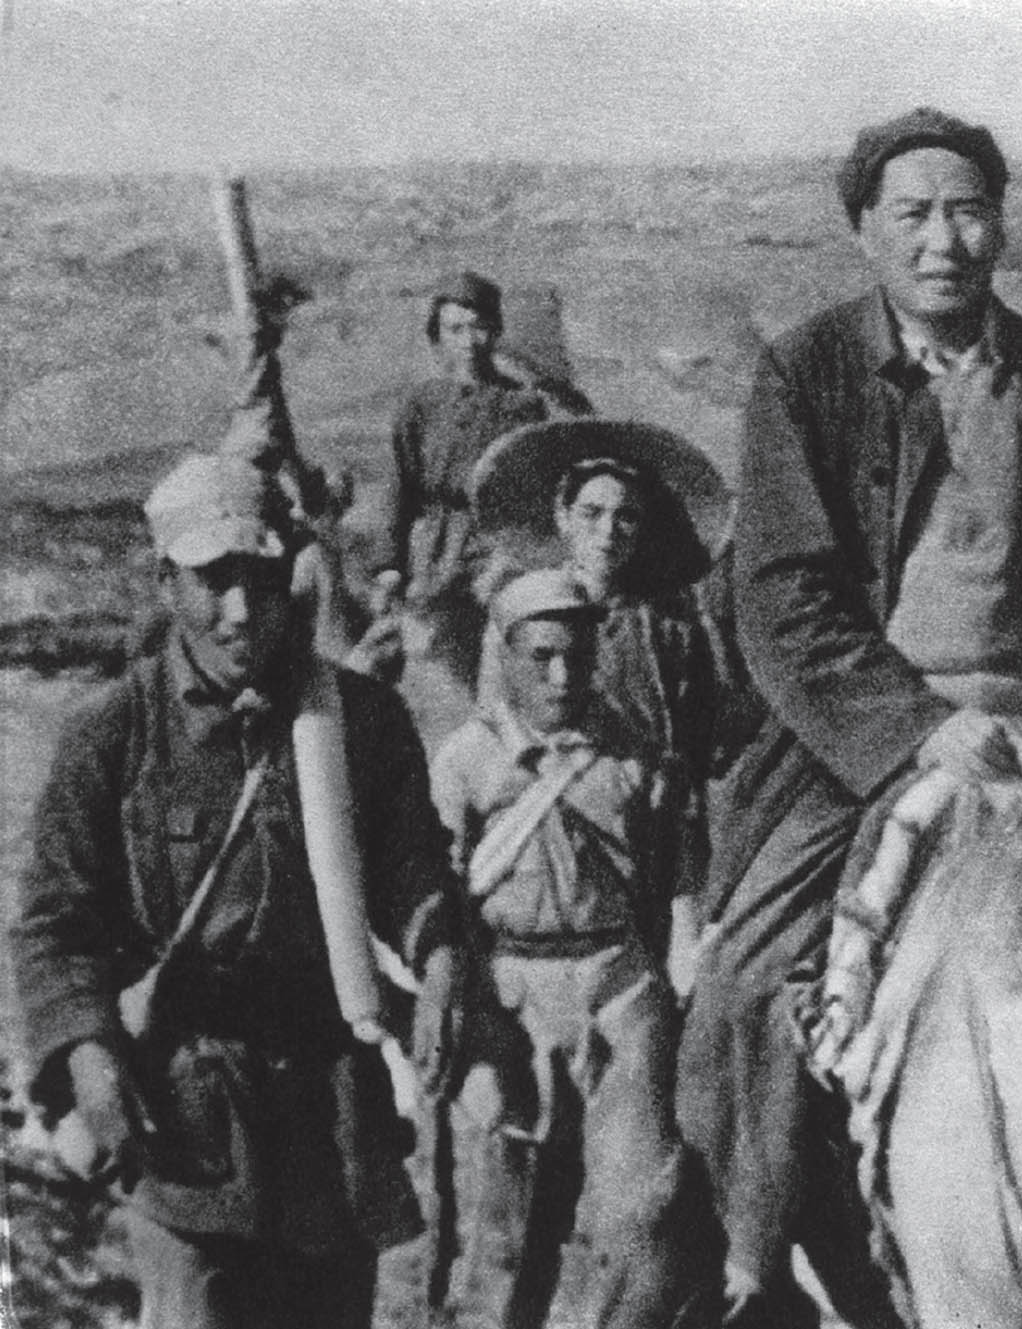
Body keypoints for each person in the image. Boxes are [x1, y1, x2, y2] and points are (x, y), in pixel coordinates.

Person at [676, 107, 1022, 1329]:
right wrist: (910, 728)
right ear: (864, 233)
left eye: (966, 210)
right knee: (747, 985)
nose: (943, 241)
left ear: (1000, 225)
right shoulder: (807, 373)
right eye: (911, 215)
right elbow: (783, 592)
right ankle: (742, 1259)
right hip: (857, 739)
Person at [12, 453, 458, 1329]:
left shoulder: (360, 721)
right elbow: (56, 923)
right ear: (165, 581)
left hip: (328, 1113)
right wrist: (91, 1059)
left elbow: (413, 865)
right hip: (185, 1105)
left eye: (259, 576)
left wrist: (438, 957)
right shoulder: (113, 734)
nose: (242, 608)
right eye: (214, 579)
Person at [427, 568, 726, 1329]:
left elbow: (678, 877)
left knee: (640, 1207)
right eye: (543, 657)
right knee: (507, 1227)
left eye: (580, 658)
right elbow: (437, 896)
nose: (563, 676)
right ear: (508, 651)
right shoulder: (468, 760)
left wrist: (680, 964)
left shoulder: (636, 755)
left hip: (619, 988)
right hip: (513, 994)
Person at [381, 270, 591, 688]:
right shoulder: (420, 405)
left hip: (499, 548)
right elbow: (399, 490)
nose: (468, 341)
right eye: (455, 329)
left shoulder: (522, 404)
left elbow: (545, 482)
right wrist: (390, 567)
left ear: (495, 332)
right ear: (438, 336)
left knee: (506, 656)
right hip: (437, 553)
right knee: (440, 664)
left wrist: (508, 559)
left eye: (479, 327)